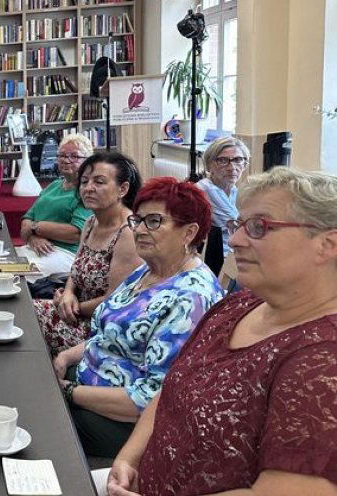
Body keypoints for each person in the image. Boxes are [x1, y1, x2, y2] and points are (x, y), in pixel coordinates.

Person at [107, 168, 337, 496]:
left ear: (327, 244)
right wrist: (130, 458)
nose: (234, 240)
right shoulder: (236, 307)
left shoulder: (323, 358)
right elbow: (171, 390)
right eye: (238, 225)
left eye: (259, 227)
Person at [51, 177, 224, 457]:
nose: (140, 230)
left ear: (189, 232)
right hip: (89, 385)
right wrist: (66, 357)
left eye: (154, 221)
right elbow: (111, 336)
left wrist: (68, 392)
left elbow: (152, 399)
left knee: (33, 426)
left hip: (123, 424)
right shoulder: (147, 271)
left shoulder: (189, 299)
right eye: (138, 220)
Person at [33, 152, 143, 357]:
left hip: (101, 330)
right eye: (84, 181)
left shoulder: (129, 233)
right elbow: (75, 272)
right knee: (21, 311)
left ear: (123, 189)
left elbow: (114, 301)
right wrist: (67, 294)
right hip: (75, 313)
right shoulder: (91, 222)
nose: (88, 188)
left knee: (27, 322)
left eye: (99, 182)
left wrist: (71, 307)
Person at [18, 134, 95, 282]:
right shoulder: (54, 185)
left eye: (74, 156)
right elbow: (27, 219)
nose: (66, 160)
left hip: (64, 253)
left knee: (16, 275)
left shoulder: (87, 191)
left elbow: (76, 234)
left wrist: (35, 228)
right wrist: (33, 237)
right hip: (35, 247)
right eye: (62, 155)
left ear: (87, 161)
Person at [197, 137, 251, 274]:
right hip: (219, 261)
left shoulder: (233, 190)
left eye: (238, 160)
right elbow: (239, 225)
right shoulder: (205, 190)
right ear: (209, 165)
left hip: (233, 254)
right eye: (222, 160)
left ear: (245, 164)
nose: (232, 167)